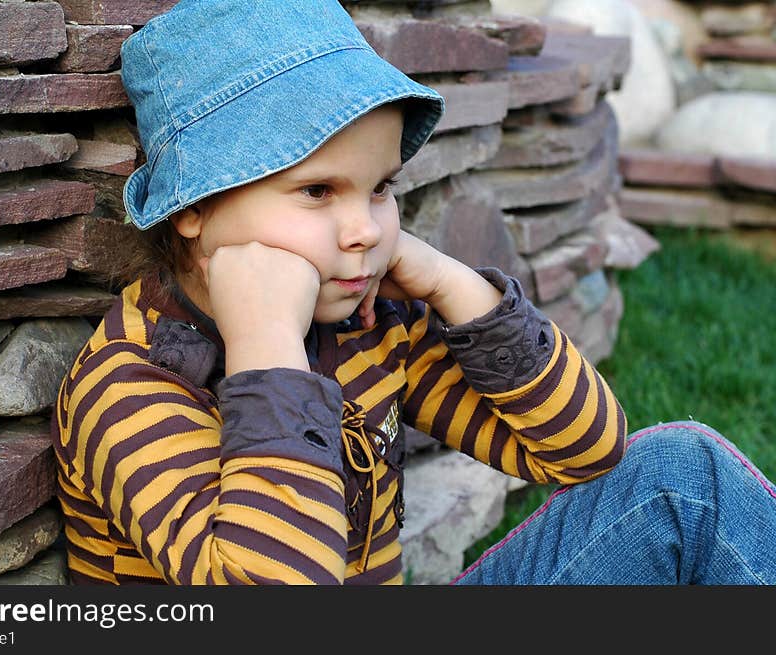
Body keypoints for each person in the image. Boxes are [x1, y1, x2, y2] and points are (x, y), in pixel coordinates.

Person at [51, 0, 776, 585]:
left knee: (683, 477)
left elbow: (586, 450)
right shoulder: (130, 386)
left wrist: (449, 281)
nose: (364, 228)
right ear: (194, 204)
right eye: (317, 190)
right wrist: (267, 349)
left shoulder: (368, 327)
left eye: (379, 189)